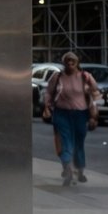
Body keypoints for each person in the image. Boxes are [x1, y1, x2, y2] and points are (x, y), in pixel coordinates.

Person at [42, 51, 101, 186]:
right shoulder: (57, 77)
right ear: (64, 63)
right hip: (61, 113)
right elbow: (48, 93)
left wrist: (94, 115)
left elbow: (95, 94)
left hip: (81, 114)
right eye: (67, 61)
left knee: (79, 143)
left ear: (77, 63)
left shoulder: (85, 77)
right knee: (65, 141)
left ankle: (80, 170)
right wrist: (47, 106)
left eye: (72, 61)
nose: (69, 63)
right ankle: (67, 168)